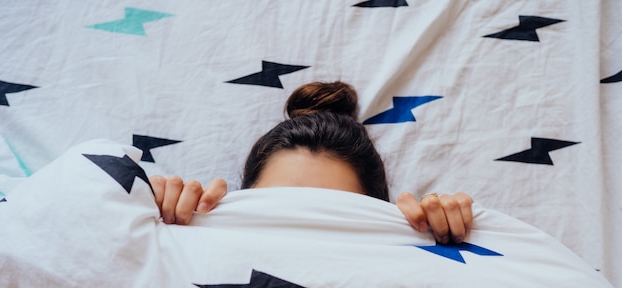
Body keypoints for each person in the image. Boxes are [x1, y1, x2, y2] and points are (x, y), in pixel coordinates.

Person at [150, 82, 474, 244]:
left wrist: (448, 237)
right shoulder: (189, 243)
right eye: (277, 205)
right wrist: (155, 219)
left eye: (332, 209)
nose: (301, 223)